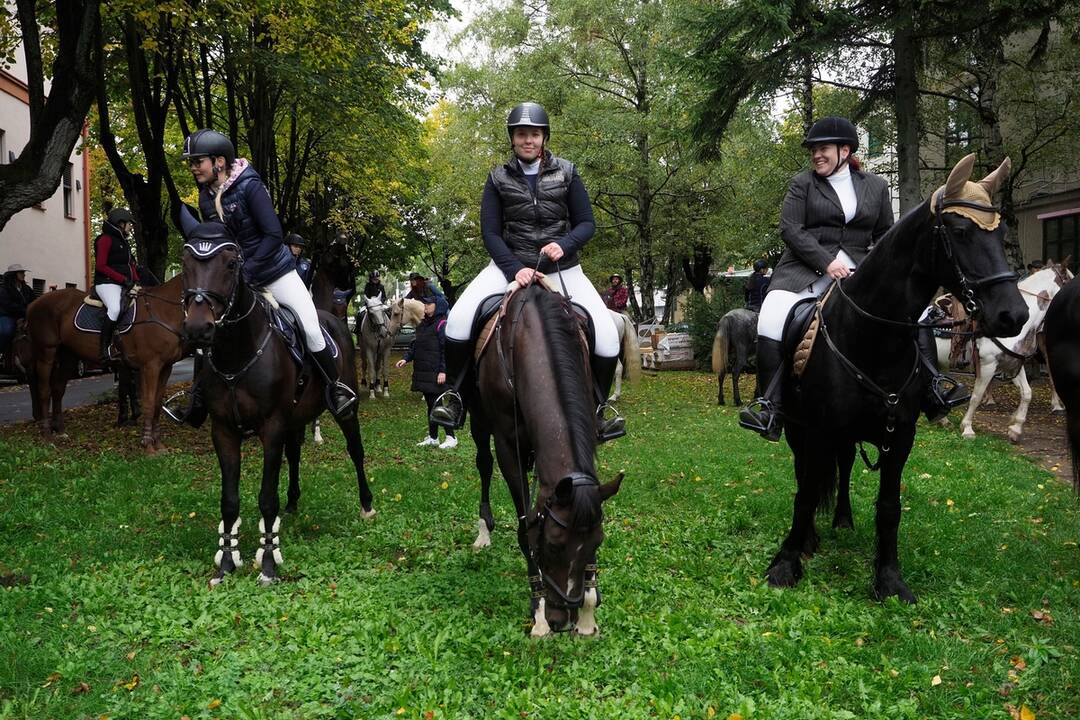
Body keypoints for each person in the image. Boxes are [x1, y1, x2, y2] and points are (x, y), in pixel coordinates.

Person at [739, 117, 966, 441]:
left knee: (913, 314)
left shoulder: (875, 186)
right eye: (813, 150)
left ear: (845, 150)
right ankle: (770, 405)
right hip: (803, 272)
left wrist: (878, 267)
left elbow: (886, 234)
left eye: (823, 149)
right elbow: (791, 229)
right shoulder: (802, 184)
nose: (816, 155)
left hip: (863, 272)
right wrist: (826, 262)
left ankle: (933, 388)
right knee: (770, 318)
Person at [429, 101, 625, 442]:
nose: (528, 140)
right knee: (459, 320)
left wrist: (564, 245)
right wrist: (514, 268)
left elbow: (587, 224)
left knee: (607, 336)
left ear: (544, 137)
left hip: (563, 268)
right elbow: (490, 232)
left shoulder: (568, 172)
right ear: (513, 139)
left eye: (534, 134)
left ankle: (598, 408)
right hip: (508, 266)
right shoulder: (497, 177)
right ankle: (456, 397)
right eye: (522, 134)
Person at [168, 128, 356, 426]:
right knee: (210, 331)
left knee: (310, 326)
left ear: (219, 161)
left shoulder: (250, 186)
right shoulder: (206, 198)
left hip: (275, 272)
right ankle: (198, 402)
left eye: (197, 161)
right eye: (191, 162)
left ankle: (337, 390)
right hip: (237, 279)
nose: (192, 167)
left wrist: (249, 272)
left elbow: (272, 234)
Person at [395, 292, 457, 449]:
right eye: (425, 304)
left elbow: (446, 350)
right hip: (424, 372)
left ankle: (451, 437)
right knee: (431, 405)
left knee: (438, 405)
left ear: (438, 307)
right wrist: (406, 358)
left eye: (429, 304)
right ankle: (434, 437)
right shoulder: (423, 324)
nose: (426, 306)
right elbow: (416, 346)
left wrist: (443, 371)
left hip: (436, 373)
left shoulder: (442, 324)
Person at [93, 208, 140, 363]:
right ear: (121, 224)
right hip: (106, 283)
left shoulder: (124, 243)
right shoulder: (105, 239)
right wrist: (123, 280)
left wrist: (136, 281)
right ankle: (104, 349)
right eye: (129, 224)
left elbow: (131, 265)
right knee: (115, 308)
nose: (131, 226)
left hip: (123, 284)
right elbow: (101, 266)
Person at [0, 264, 35, 355]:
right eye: (21, 272)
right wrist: (26, 310)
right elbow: (8, 305)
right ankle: (1, 352)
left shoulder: (27, 289)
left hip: (25, 315)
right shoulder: (3, 289)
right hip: (8, 315)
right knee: (6, 331)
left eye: (23, 272)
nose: (24, 274)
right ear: (13, 274)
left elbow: (34, 300)